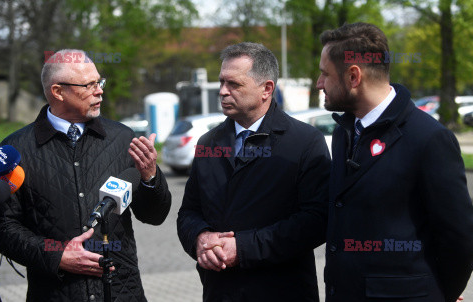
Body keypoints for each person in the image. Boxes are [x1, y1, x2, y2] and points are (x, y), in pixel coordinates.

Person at [0, 49, 172, 302]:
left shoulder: (123, 138)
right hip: (56, 294)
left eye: (99, 82)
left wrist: (151, 177)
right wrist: (56, 256)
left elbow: (155, 216)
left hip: (121, 293)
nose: (99, 90)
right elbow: (1, 228)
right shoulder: (16, 149)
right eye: (89, 85)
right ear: (58, 92)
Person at [317, 22, 473, 302]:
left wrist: (438, 293)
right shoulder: (344, 131)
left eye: (324, 74)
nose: (319, 83)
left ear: (354, 76)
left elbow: (459, 239)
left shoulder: (429, 139)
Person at [177, 42, 330, 301]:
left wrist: (244, 248)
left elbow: (316, 221)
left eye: (233, 84)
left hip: (282, 291)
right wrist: (200, 238)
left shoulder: (304, 142)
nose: (223, 92)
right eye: (221, 82)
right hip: (220, 291)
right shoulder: (207, 143)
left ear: (266, 89)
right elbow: (189, 212)